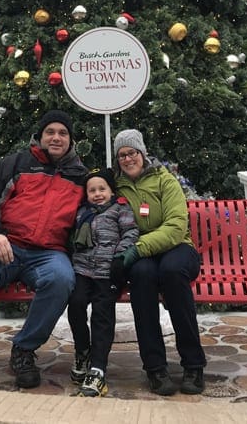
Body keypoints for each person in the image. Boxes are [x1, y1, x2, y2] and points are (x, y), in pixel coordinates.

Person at [0, 110, 86, 389]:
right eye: (50, 132)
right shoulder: (16, 163)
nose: (56, 137)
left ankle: (23, 349)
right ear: (41, 136)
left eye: (63, 133)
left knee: (63, 279)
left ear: (70, 140)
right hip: (6, 245)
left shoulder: (80, 176)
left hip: (48, 252)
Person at [111, 128, 207, 396]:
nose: (128, 159)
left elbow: (176, 226)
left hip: (177, 248)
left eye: (132, 153)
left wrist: (139, 247)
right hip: (142, 255)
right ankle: (155, 367)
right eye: (122, 155)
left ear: (142, 153)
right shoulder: (117, 186)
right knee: (141, 276)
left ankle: (193, 364)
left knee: (173, 272)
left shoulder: (165, 180)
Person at [67, 167, 139, 397]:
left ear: (111, 190)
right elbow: (69, 238)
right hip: (82, 269)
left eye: (102, 189)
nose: (97, 194)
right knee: (76, 305)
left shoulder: (121, 209)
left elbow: (131, 233)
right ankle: (83, 350)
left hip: (109, 271)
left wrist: (120, 257)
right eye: (92, 190)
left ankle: (98, 368)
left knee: (102, 314)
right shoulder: (81, 213)